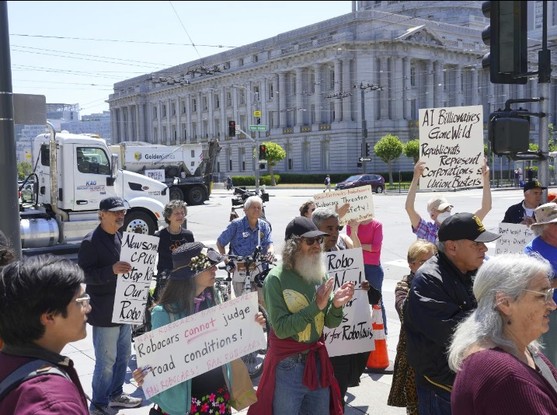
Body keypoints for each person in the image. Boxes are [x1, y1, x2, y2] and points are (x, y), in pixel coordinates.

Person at [132, 241, 264, 415]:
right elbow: (157, 361)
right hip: (185, 404)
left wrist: (251, 325)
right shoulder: (163, 313)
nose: (215, 270)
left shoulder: (213, 298)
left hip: (217, 396)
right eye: (209, 267)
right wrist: (144, 374)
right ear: (191, 273)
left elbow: (228, 338)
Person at [247, 216, 355, 415]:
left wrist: (337, 305)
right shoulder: (276, 279)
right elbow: (281, 329)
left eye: (319, 240)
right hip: (288, 367)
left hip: (317, 363)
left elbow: (329, 322)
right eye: (310, 240)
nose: (317, 245)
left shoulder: (319, 272)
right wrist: (316, 307)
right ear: (293, 245)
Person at [404, 212, 500, 415]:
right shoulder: (428, 280)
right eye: (477, 243)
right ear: (452, 247)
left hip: (467, 380)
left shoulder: (475, 270)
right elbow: (456, 333)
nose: (484, 248)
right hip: (442, 387)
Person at [448, 253, 557, 414]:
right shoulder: (505, 376)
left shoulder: (522, 350)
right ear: (505, 302)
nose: (552, 305)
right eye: (542, 295)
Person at [0, 255, 91, 414]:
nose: (88, 308)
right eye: (80, 300)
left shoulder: (9, 358)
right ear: (49, 317)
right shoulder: (54, 404)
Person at [77, 196, 142, 414]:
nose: (120, 215)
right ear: (101, 214)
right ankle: (99, 403)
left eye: (122, 212)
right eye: (115, 212)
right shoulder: (90, 242)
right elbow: (84, 275)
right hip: (105, 312)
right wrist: (111, 271)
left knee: (123, 357)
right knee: (105, 363)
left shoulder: (120, 237)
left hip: (124, 307)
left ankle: (116, 395)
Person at [312, 207, 380, 407]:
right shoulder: (306, 259)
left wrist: (364, 286)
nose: (334, 233)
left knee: (339, 389)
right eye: (328, 229)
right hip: (318, 341)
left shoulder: (343, 254)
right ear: (315, 230)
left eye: (337, 228)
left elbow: (364, 291)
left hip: (343, 339)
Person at [387, 240, 437, 415]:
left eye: (433, 260)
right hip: (414, 358)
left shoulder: (441, 284)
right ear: (411, 265)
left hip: (438, 360)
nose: (430, 266)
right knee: (416, 405)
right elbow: (405, 314)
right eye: (424, 262)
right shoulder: (404, 286)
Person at [405, 159, 492, 243]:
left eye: (448, 209)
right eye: (442, 209)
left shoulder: (458, 227)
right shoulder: (427, 230)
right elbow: (409, 208)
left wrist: (485, 178)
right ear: (432, 215)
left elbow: (486, 208)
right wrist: (416, 177)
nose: (446, 212)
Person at [216, 195, 274, 298]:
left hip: (259, 269)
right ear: (245, 210)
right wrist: (227, 261)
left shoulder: (264, 226)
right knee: (243, 303)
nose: (256, 210)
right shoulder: (236, 225)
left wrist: (270, 251)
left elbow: (270, 243)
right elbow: (220, 243)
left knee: (262, 303)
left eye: (259, 207)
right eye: (253, 207)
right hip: (239, 268)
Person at [524, 202, 557, 367]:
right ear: (543, 227)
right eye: (555, 223)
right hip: (550, 311)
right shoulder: (532, 251)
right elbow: (534, 285)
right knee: (552, 357)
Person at [346, 214, 387, 333]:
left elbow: (375, 247)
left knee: (377, 300)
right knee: (356, 300)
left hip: (373, 268)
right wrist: (355, 230)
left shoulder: (376, 225)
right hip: (356, 265)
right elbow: (350, 246)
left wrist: (359, 245)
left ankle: (382, 332)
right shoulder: (352, 224)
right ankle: (358, 332)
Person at [155, 200, 194, 297]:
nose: (180, 216)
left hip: (184, 280)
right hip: (165, 281)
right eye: (176, 213)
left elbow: (193, 257)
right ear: (168, 216)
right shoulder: (159, 236)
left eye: (182, 213)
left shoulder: (188, 235)